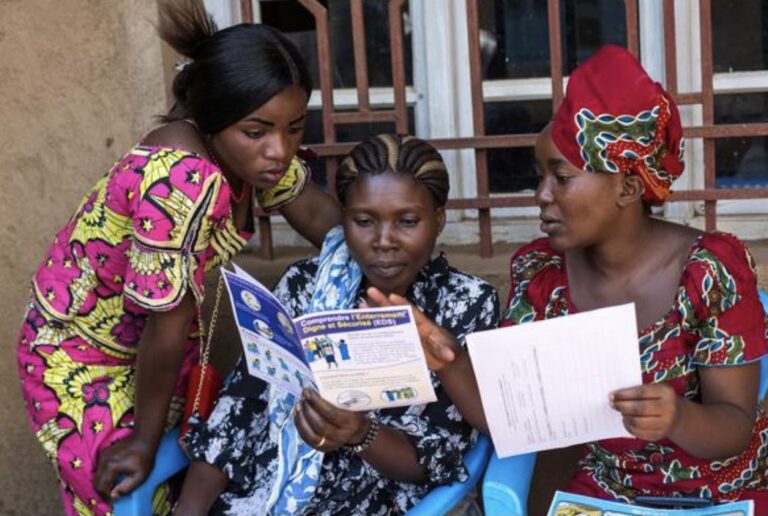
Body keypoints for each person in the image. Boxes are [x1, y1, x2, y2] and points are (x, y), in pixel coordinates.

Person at [370, 45, 768, 509]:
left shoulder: (709, 271)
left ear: (628, 186)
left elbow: (735, 427)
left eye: (561, 177)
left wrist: (677, 416)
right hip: (606, 497)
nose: (541, 194)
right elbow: (510, 423)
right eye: (540, 176)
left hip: (727, 497)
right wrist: (448, 359)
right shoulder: (543, 278)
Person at [15, 1, 340, 514]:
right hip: (81, 358)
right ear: (211, 119)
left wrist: (382, 242)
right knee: (120, 492)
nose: (279, 150)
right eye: (258, 131)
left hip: (156, 353)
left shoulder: (242, 154)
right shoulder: (181, 181)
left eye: (295, 127)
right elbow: (167, 320)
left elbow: (317, 213)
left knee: (187, 485)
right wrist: (143, 441)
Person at [176, 134, 500, 515]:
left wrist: (361, 434)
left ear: (438, 220)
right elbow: (241, 406)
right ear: (344, 220)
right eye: (363, 221)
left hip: (391, 503)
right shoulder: (305, 285)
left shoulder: (465, 302)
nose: (384, 241)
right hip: (273, 493)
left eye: (408, 221)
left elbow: (440, 459)